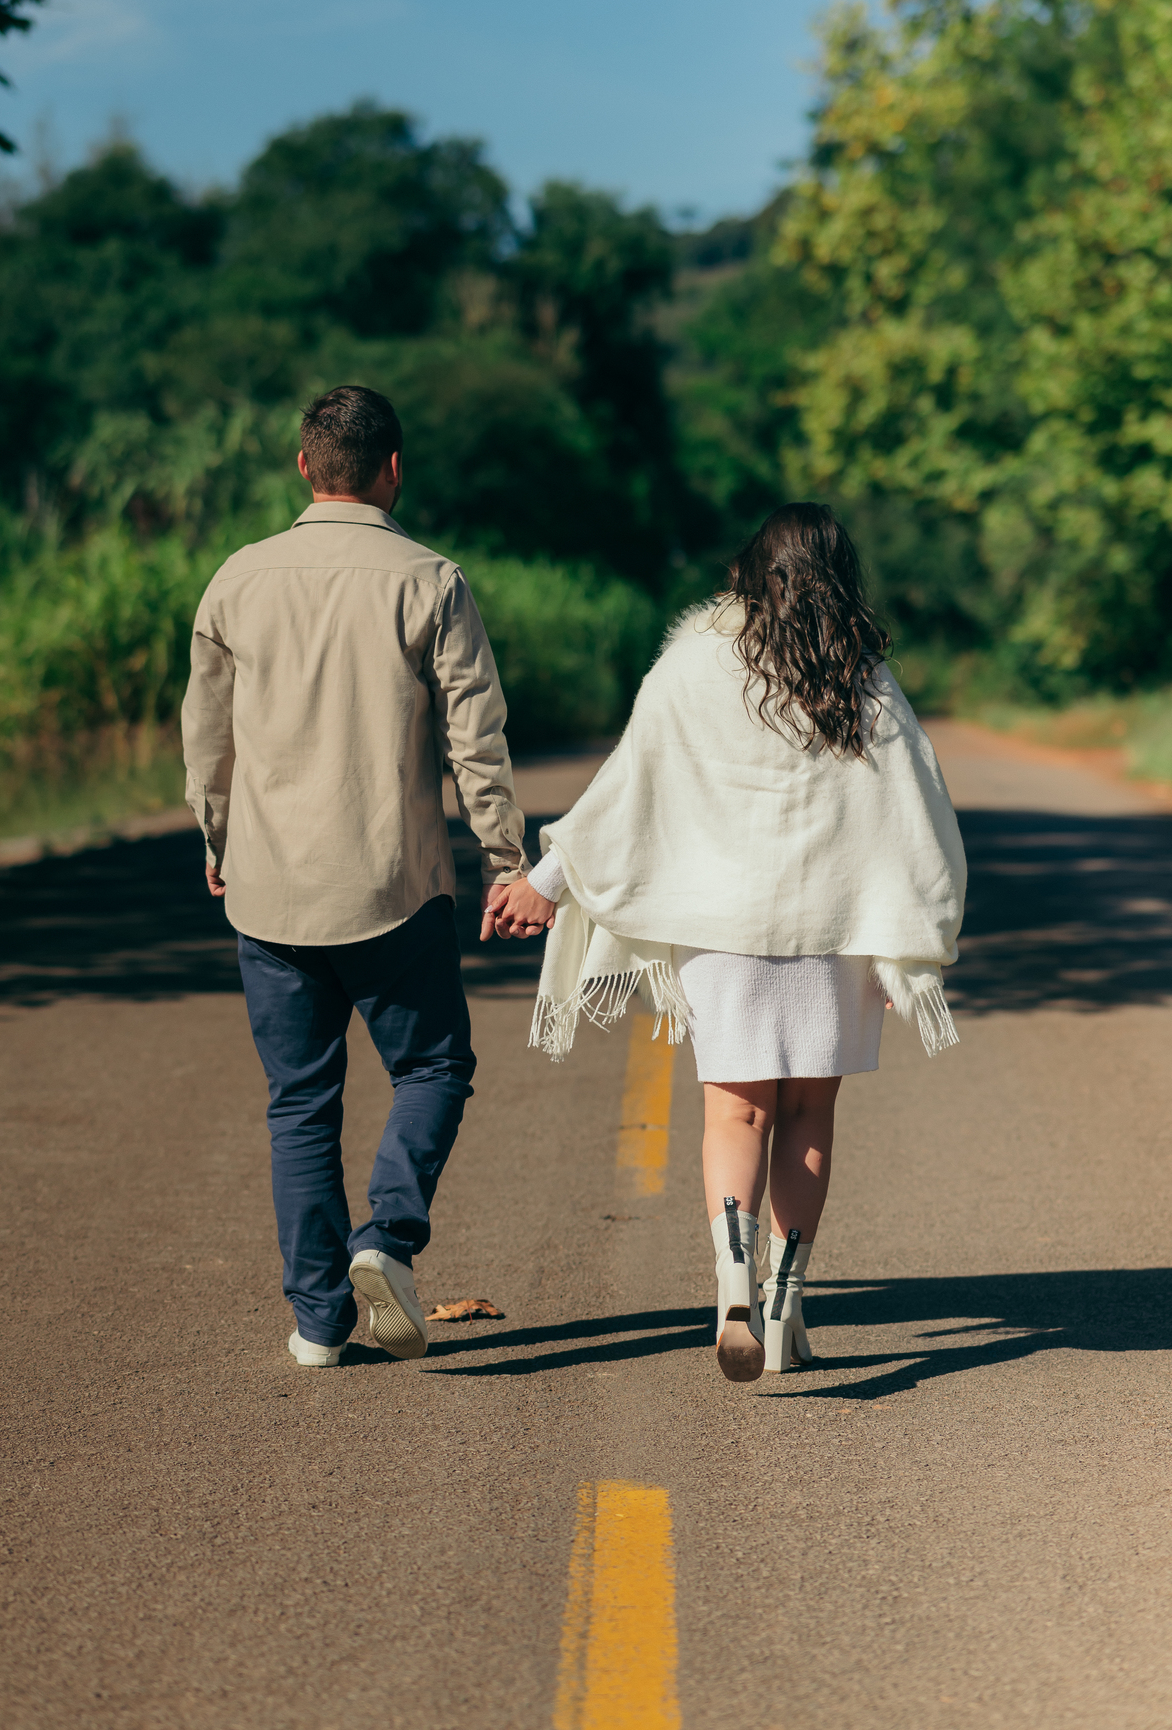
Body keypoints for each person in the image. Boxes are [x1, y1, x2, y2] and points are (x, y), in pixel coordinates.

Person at [485, 503, 966, 1383]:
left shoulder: (696, 662)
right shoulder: (865, 678)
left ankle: (732, 1274)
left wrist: (544, 882)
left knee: (734, 1112)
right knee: (809, 1115)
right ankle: (787, 1293)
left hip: (725, 935)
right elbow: (916, 809)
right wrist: (913, 942)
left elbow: (630, 784)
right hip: (835, 936)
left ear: (755, 569)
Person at [181, 385, 528, 1369]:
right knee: (433, 1068)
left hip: (269, 889)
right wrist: (506, 857)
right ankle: (390, 1236)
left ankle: (320, 1323)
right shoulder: (432, 581)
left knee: (300, 1102)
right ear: (393, 469)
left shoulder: (236, 582)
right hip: (393, 886)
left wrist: (215, 837)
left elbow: (207, 736)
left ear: (304, 468)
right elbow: (477, 738)